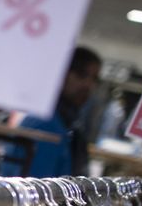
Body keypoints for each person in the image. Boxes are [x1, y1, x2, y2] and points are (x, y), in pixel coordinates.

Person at [19, 45, 101, 177]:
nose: (88, 85)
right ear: (62, 73)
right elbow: (39, 185)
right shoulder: (44, 123)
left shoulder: (67, 123)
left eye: (94, 79)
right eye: (81, 75)